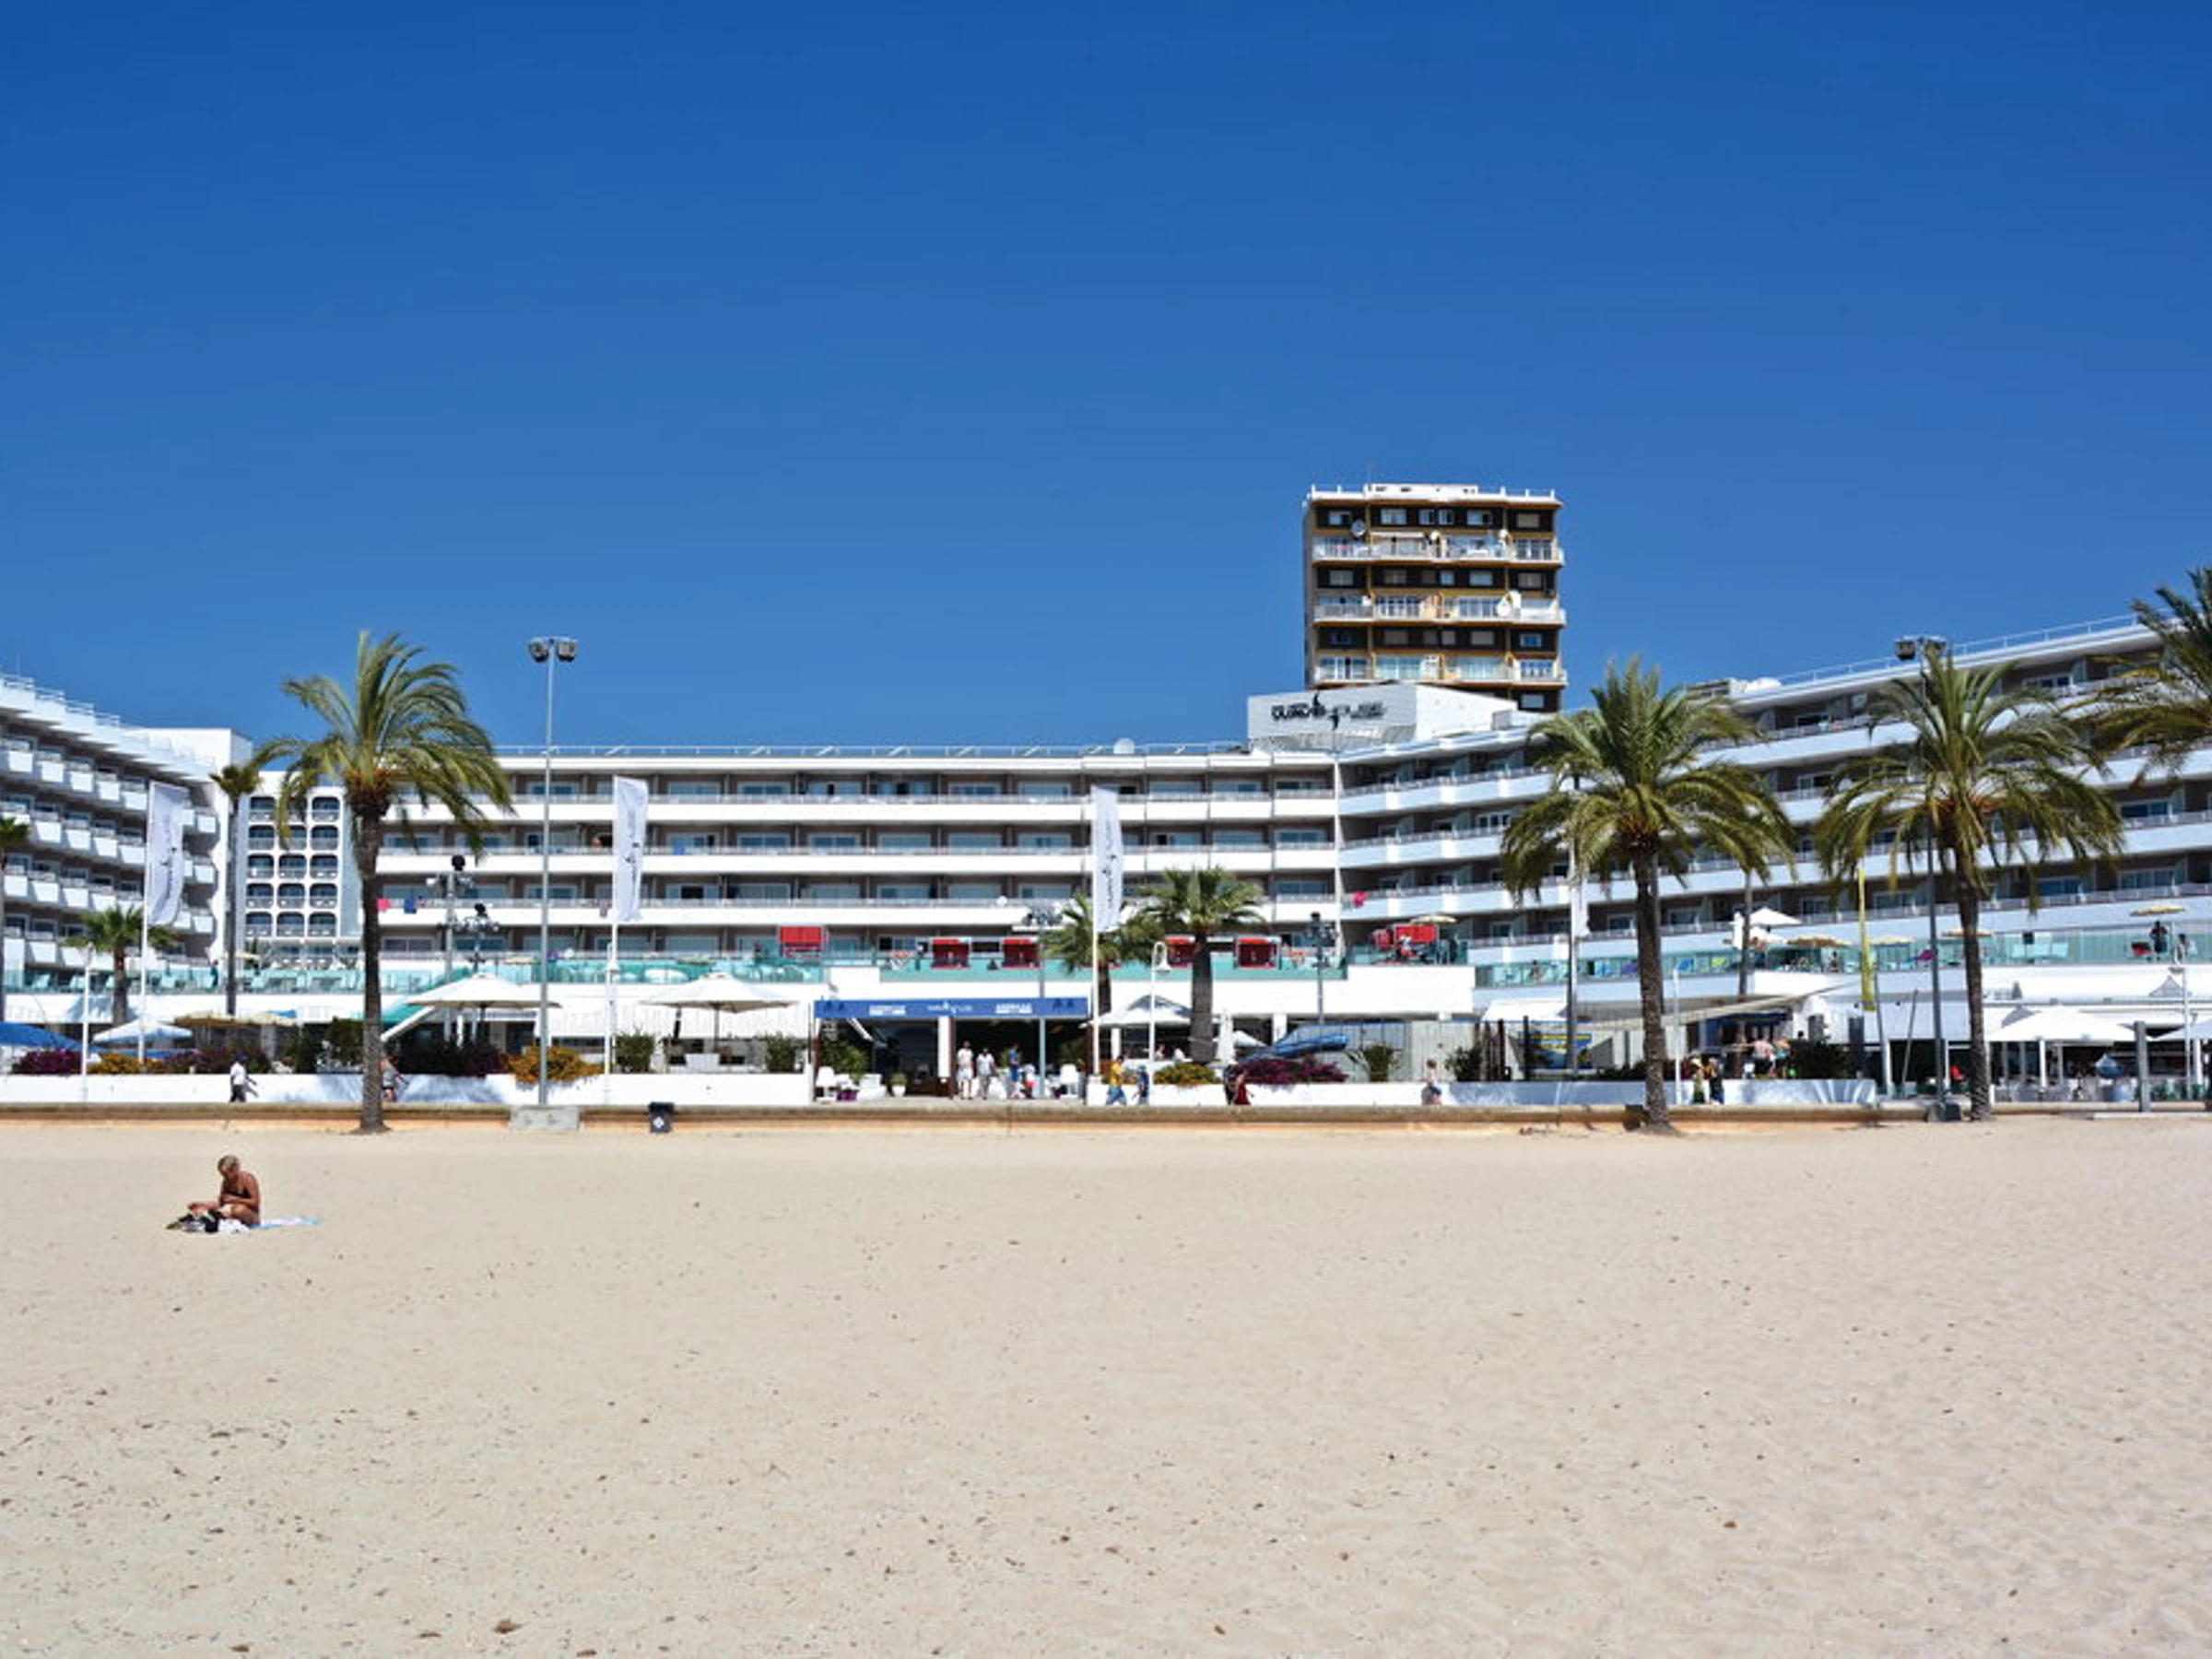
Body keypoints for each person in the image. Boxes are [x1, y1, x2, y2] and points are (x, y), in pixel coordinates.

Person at [186, 1154, 260, 1230]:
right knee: (198, 1209)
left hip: (250, 1215)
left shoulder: (248, 1179)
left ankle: (224, 1217)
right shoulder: (226, 1182)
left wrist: (235, 1200)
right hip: (229, 1210)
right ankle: (224, 1217)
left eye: (226, 1174)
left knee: (238, 1210)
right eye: (223, 1174)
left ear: (235, 1169)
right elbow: (220, 1203)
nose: (224, 1177)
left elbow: (255, 1202)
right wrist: (202, 1204)